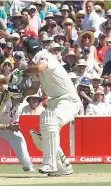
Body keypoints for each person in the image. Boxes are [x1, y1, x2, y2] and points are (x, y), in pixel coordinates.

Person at [12, 36, 81, 177]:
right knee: (46, 128)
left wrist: (21, 73)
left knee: (50, 121)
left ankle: (50, 165)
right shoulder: (37, 62)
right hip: (55, 102)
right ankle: (64, 166)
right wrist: (20, 96)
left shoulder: (44, 56)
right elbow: (33, 89)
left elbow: (39, 67)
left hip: (68, 100)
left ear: (26, 51)